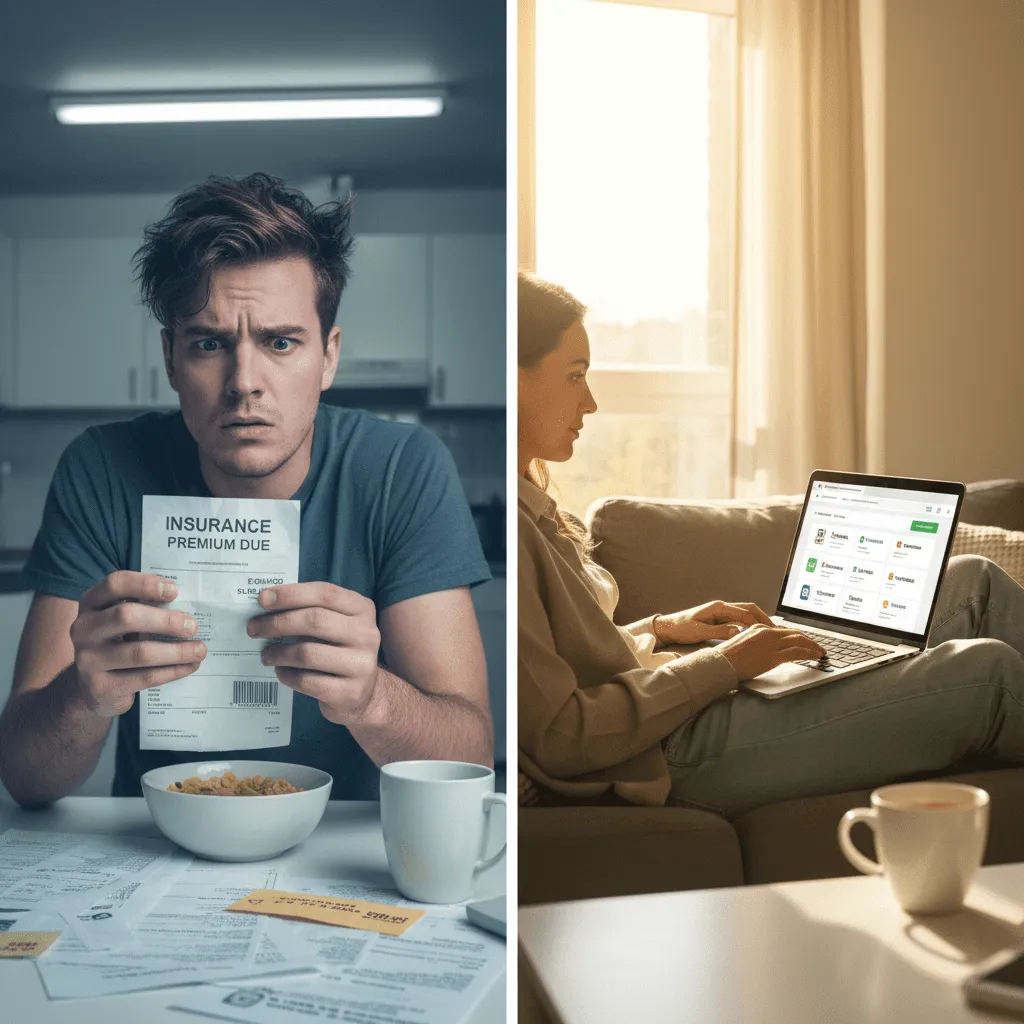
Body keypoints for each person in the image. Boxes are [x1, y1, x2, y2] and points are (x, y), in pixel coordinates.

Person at [0, 174, 494, 807]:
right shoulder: (101, 467)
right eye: (209, 344)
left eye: (280, 342)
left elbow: (473, 755)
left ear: (328, 358)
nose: (244, 383)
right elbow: (25, 777)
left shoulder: (404, 467)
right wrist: (84, 693)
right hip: (158, 840)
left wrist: (371, 695)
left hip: (343, 845)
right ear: (172, 360)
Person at [517, 270, 1024, 818]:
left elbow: (573, 656)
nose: (589, 402)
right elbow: (562, 734)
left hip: (671, 702)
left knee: (973, 583)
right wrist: (723, 665)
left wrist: (661, 628)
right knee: (987, 674)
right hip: (664, 749)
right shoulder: (499, 532)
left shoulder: (533, 505)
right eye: (575, 376)